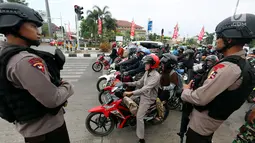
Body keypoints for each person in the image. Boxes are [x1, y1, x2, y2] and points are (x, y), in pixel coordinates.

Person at [0, 3, 74, 143]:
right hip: (47, 132)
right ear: (15, 26)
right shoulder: (24, 61)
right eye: (33, 26)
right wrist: (67, 86)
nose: (38, 31)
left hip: (33, 130)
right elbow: (53, 99)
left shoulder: (5, 54)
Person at [181, 13, 255, 143]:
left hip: (201, 126)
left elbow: (200, 98)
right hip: (211, 122)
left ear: (229, 40)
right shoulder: (241, 63)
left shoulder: (229, 67)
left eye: (219, 37)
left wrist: (185, 91)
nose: (216, 40)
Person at [123, 54, 160, 143]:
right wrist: (127, 83)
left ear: (152, 65)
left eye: (147, 63)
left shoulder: (156, 76)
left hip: (148, 98)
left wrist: (131, 92)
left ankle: (141, 138)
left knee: (139, 117)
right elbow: (140, 82)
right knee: (127, 99)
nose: (145, 65)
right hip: (142, 94)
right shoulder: (147, 72)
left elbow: (145, 88)